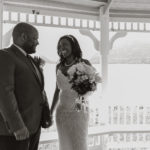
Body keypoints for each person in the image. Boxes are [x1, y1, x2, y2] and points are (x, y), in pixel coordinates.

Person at [0, 22, 51, 150]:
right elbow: (4, 94)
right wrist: (17, 126)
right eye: (35, 38)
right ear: (23, 36)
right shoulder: (5, 56)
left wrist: (46, 115)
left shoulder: (30, 59)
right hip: (15, 132)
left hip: (34, 127)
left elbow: (40, 90)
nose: (38, 42)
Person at [50, 35, 91, 150]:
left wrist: (78, 109)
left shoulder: (84, 63)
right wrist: (51, 111)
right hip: (61, 112)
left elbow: (89, 89)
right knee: (64, 144)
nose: (61, 47)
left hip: (79, 111)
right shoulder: (59, 66)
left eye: (65, 44)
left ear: (73, 46)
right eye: (59, 45)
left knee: (79, 144)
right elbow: (57, 89)